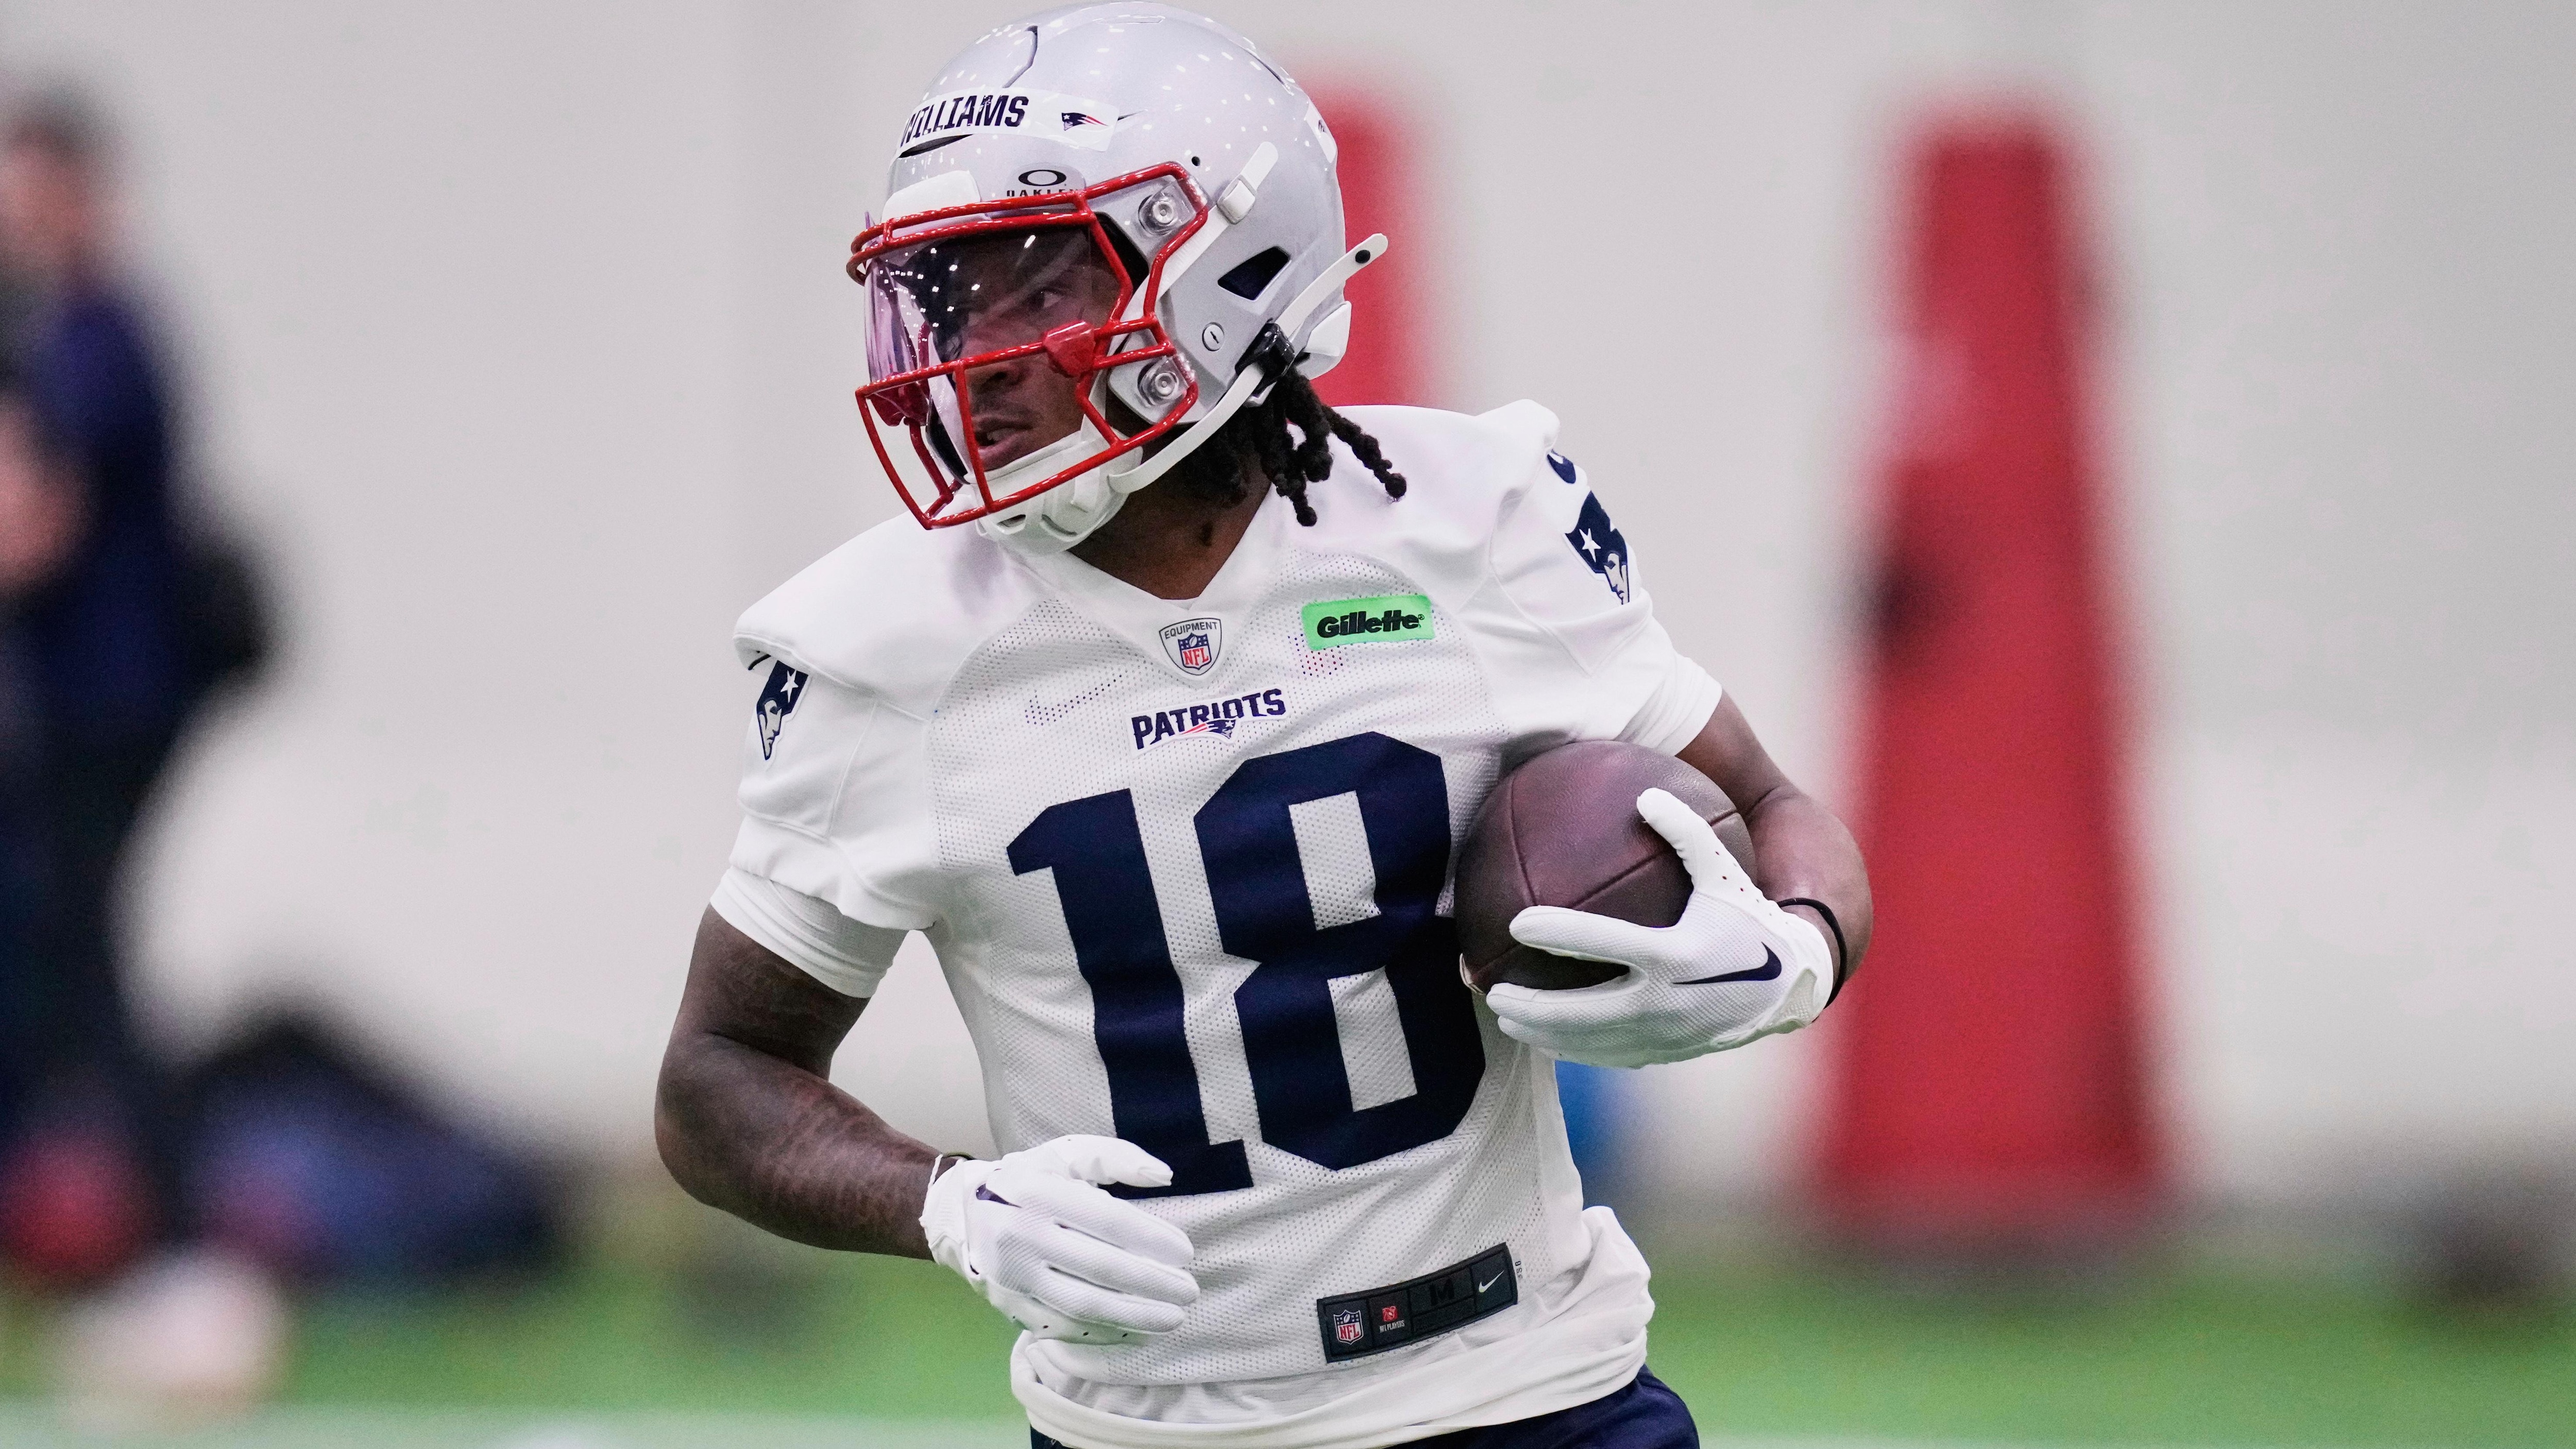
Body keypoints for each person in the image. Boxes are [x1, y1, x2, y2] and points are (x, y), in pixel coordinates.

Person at [656, 9, 1872, 1447]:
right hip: (1152, 1428)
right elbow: (716, 1081)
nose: (974, 354)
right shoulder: (881, 648)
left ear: (1230, 271)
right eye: (954, 298)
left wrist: (1793, 950)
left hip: (1537, 1389)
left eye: (1035, 283)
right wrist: (948, 1202)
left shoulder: (1473, 522)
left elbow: (1779, 806)